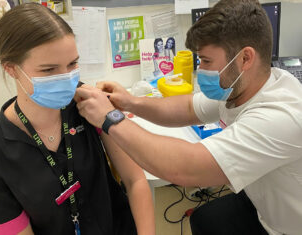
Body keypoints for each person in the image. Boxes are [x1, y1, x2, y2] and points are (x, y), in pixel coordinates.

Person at [75, 0, 302, 234]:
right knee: (203, 220)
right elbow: (187, 108)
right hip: (262, 203)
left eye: (206, 61)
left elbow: (185, 167)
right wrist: (130, 102)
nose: (201, 69)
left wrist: (110, 118)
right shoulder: (244, 85)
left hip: (287, 227)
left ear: (245, 59)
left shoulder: (280, 116)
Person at [0, 3, 155, 235]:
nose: (66, 79)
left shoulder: (89, 103)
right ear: (11, 69)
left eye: (72, 64)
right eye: (49, 70)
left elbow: (136, 181)